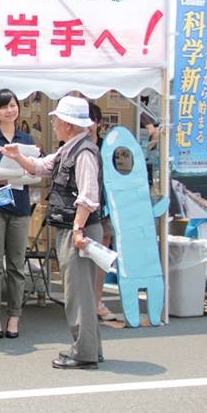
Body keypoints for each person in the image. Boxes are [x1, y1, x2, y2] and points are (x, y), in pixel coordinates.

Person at [0, 96, 104, 370]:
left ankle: (84, 353)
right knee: (82, 293)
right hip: (75, 227)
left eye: (58, 120)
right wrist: (18, 156)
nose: (54, 124)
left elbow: (88, 196)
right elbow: (40, 167)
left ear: (69, 124)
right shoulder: (70, 149)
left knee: (77, 294)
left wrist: (79, 229)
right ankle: (91, 348)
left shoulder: (82, 153)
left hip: (78, 228)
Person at [0, 89, 40, 339]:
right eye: (3, 106)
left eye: (13, 105)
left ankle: (14, 316)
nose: (9, 110)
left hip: (20, 207)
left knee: (16, 264)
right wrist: (20, 175)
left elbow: (37, 175)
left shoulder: (26, 140)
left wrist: (16, 174)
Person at [87, 103, 119, 323]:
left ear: (98, 123)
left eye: (90, 120)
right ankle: (84, 302)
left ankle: (96, 301)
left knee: (101, 255)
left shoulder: (108, 148)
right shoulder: (69, 146)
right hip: (79, 211)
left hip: (104, 208)